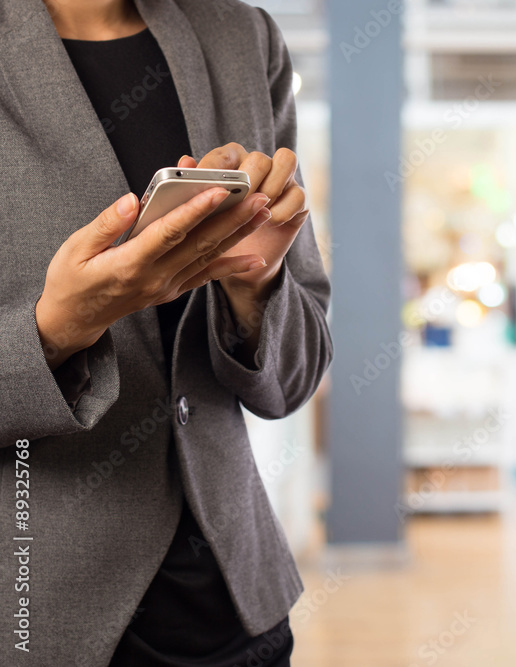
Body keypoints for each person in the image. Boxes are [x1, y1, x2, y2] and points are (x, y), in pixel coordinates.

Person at [0, 0, 333, 664]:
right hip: (38, 619)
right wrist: (60, 329)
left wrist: (255, 287)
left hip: (236, 611)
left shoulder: (243, 36)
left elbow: (295, 377)